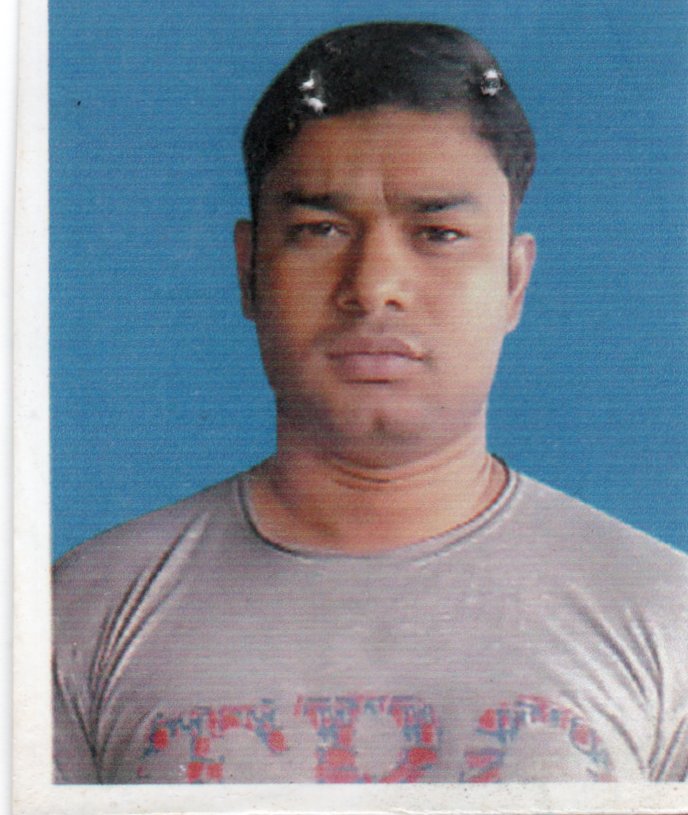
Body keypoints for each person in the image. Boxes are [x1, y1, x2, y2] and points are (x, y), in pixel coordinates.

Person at [52, 21, 688, 784]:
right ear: (249, 271)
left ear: (513, 281)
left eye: (439, 233)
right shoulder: (78, 615)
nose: (373, 285)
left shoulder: (667, 619)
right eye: (320, 229)